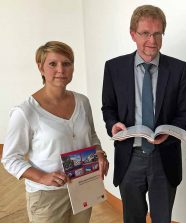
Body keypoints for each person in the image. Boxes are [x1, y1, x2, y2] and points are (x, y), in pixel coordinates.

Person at [101, 5, 186, 223]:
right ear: (133, 34)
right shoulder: (114, 68)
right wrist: (113, 124)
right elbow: (108, 108)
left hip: (165, 158)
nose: (152, 40)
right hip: (129, 156)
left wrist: (169, 134)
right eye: (145, 33)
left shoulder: (179, 69)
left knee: (162, 218)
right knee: (132, 218)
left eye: (157, 33)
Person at [1, 41, 109, 223]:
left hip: (83, 185)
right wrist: (42, 177)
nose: (61, 69)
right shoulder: (25, 111)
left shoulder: (82, 102)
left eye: (66, 63)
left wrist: (99, 153)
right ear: (40, 67)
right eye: (53, 64)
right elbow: (10, 158)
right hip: (47, 196)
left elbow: (91, 136)